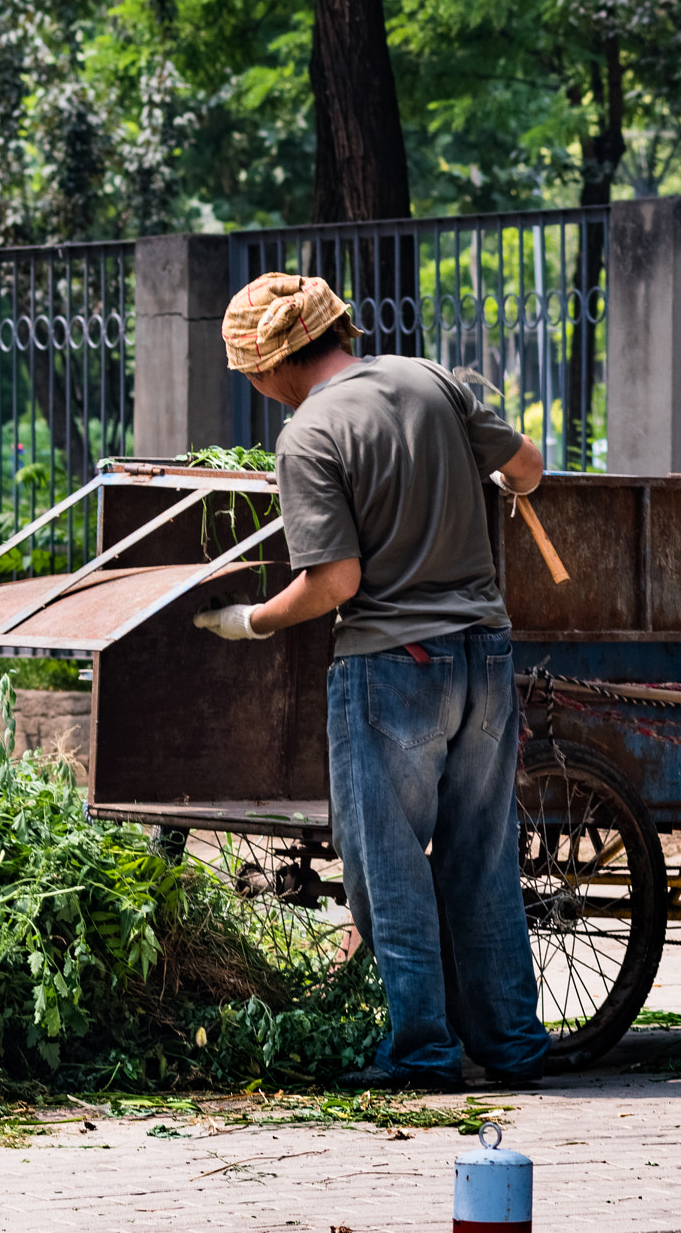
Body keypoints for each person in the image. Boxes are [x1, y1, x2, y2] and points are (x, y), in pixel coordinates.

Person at [191, 272, 551, 1090]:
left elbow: (335, 583)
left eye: (249, 372)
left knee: (387, 865)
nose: (254, 388)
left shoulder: (310, 434)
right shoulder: (434, 380)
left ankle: (423, 1051)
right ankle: (513, 1047)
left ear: (276, 362)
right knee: (481, 856)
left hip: (393, 666)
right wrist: (502, 484)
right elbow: (528, 467)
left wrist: (253, 620)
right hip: (485, 655)